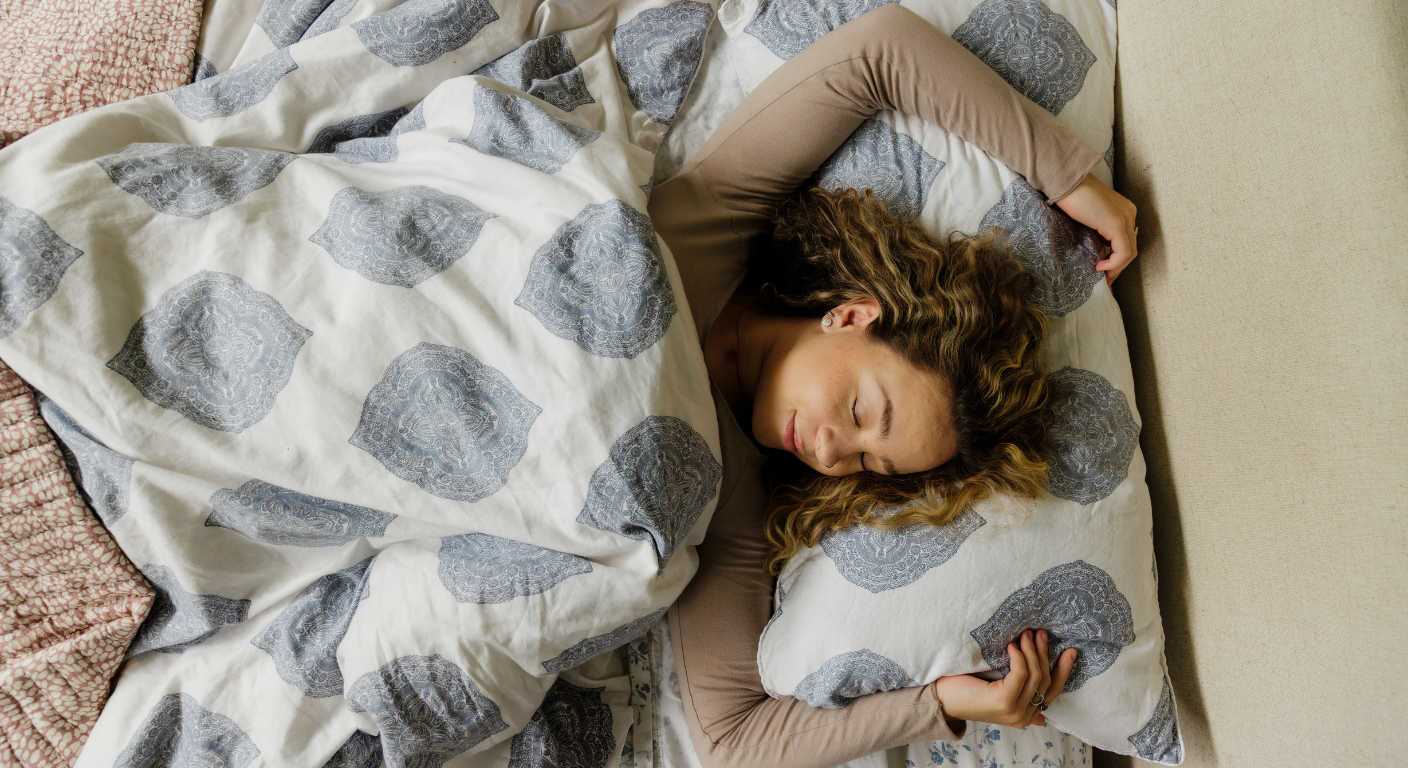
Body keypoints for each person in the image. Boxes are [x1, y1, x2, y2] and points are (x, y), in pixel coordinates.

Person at [644, 4, 1139, 768]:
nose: (837, 451)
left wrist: (938, 705)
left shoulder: (729, 502)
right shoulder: (718, 219)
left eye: (872, 465)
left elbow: (731, 743)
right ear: (850, 315)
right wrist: (1069, 174)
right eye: (861, 411)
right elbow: (882, 49)